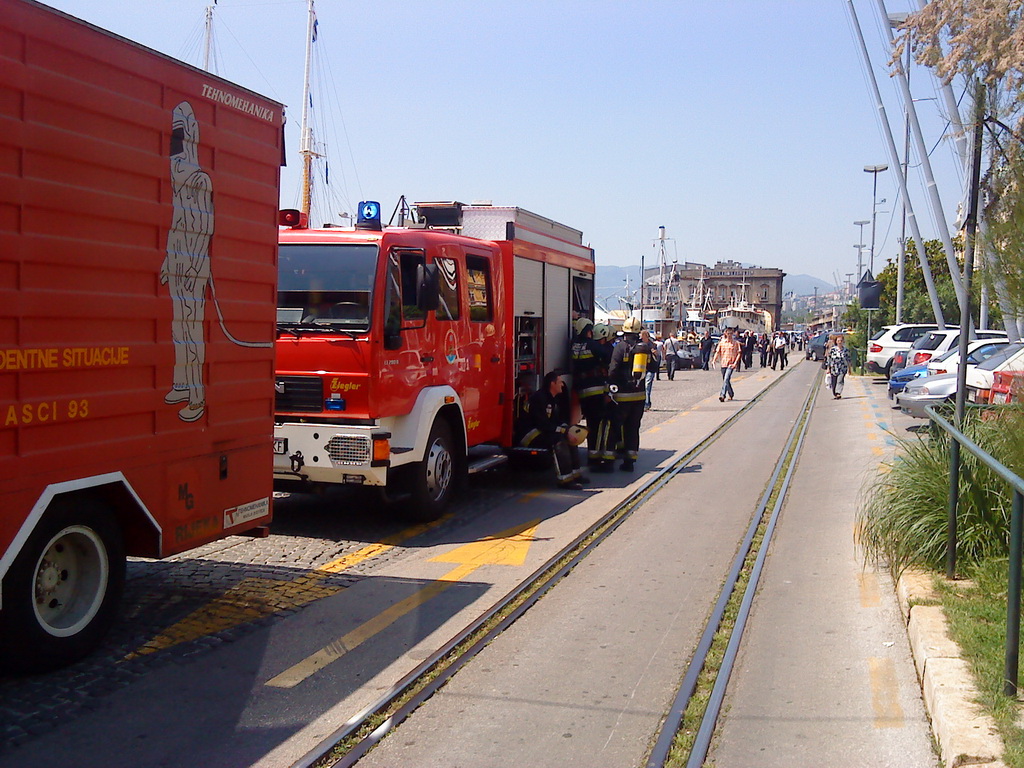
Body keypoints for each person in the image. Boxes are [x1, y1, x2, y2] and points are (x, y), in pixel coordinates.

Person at [517, 370, 586, 489]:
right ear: (552, 384)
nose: (562, 385)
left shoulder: (551, 398)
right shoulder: (539, 398)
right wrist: (564, 431)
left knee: (569, 438)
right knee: (559, 441)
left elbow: (553, 421)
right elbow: (543, 424)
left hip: (540, 430)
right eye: (560, 382)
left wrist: (567, 429)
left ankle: (576, 475)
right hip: (528, 434)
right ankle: (565, 480)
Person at [608, 317, 649, 471]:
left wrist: (611, 383)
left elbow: (613, 369)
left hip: (622, 396)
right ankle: (630, 461)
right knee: (633, 428)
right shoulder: (643, 348)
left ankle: (609, 459)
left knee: (615, 427)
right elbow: (653, 366)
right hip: (639, 396)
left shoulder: (620, 347)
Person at [571, 318, 611, 470]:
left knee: (590, 423)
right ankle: (595, 457)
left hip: (582, 390)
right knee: (598, 424)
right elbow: (608, 356)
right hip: (595, 389)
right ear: (589, 331)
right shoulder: (593, 345)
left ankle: (591, 455)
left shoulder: (574, 345)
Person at [711, 327, 742, 402]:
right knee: (726, 380)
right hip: (723, 364)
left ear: (733, 334)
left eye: (731, 333)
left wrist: (735, 363)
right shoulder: (722, 343)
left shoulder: (736, 343)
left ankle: (722, 395)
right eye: (728, 333)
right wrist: (714, 360)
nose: (729, 335)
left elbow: (739, 353)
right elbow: (717, 352)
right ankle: (731, 393)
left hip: (731, 364)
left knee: (726, 378)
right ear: (725, 333)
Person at [825, 334, 852, 399]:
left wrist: (849, 369)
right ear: (836, 342)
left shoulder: (846, 350)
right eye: (838, 341)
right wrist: (828, 368)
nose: (840, 342)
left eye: (841, 341)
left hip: (842, 368)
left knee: (840, 381)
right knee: (834, 382)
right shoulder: (833, 350)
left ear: (843, 341)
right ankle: (835, 393)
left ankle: (838, 393)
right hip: (834, 368)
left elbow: (848, 360)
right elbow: (829, 359)